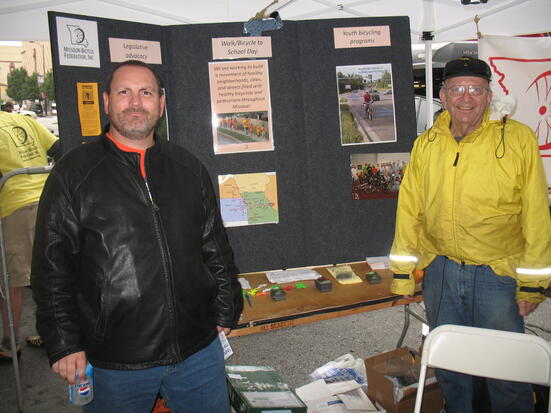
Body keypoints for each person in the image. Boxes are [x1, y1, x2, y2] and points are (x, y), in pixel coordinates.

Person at [31, 60, 243, 413]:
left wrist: (225, 308)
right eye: (124, 92)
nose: (135, 102)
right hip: (116, 359)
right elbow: (51, 267)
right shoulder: (74, 175)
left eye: (146, 93)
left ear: (160, 103)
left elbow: (214, 246)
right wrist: (64, 342)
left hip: (198, 350)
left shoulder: (188, 167)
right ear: (106, 102)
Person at [389, 56, 551, 413]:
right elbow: (409, 211)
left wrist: (533, 284)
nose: (466, 97)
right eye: (457, 89)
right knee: (451, 367)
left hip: (497, 275)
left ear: (489, 95)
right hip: (441, 273)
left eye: (475, 89)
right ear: (443, 97)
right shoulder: (427, 144)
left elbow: (537, 216)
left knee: (507, 372)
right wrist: (403, 276)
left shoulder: (518, 139)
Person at [0, 110, 59, 360]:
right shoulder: (23, 119)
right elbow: (59, 148)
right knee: (48, 273)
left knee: (12, 280)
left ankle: (8, 344)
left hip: (16, 206)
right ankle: (53, 333)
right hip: (46, 200)